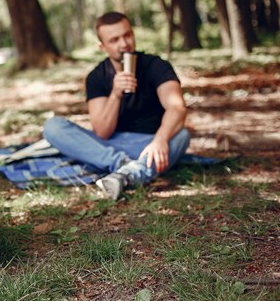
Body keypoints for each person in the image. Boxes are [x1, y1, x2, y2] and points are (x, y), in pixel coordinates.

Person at [43, 11, 190, 200]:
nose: (124, 44)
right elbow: (102, 132)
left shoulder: (156, 66)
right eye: (114, 40)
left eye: (127, 35)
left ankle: (124, 173)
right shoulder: (97, 77)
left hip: (148, 144)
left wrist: (160, 140)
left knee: (182, 135)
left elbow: (177, 107)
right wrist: (115, 94)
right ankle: (124, 167)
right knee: (53, 127)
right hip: (109, 145)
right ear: (102, 46)